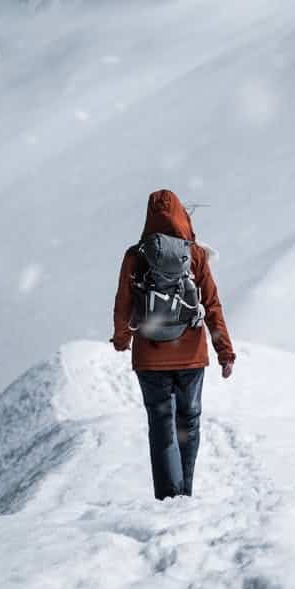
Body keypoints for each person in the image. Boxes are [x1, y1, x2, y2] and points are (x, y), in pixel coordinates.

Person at [111, 189, 235, 501]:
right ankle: (186, 494)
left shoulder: (136, 255)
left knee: (161, 424)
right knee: (188, 424)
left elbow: (123, 303)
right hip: (191, 356)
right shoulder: (194, 254)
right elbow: (213, 305)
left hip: (150, 358)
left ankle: (169, 497)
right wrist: (225, 352)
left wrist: (122, 339)